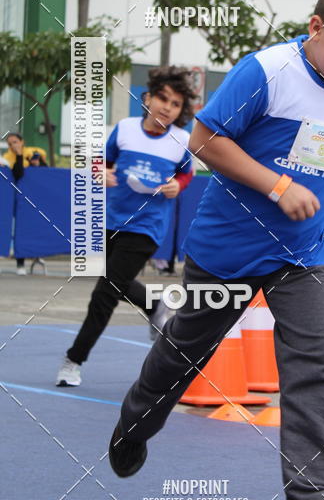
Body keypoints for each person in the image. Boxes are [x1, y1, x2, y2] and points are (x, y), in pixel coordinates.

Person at [108, 0, 324, 500]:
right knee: (184, 351)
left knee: (319, 363)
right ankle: (136, 420)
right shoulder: (266, 71)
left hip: (309, 250)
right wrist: (276, 185)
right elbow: (204, 140)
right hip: (229, 250)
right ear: (317, 27)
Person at [55, 67, 195, 387]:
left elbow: (186, 174)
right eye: (162, 99)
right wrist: (101, 172)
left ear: (180, 111)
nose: (166, 107)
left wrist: (178, 185)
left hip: (147, 226)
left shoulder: (182, 141)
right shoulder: (125, 129)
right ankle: (154, 303)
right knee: (112, 281)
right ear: (149, 98)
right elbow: (99, 162)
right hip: (112, 218)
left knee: (104, 293)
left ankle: (73, 361)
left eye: (175, 104)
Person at [3, 133, 47, 274]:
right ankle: (20, 263)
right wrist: (19, 155)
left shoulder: (36, 152)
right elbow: (18, 174)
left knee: (35, 229)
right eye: (10, 144)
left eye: (15, 142)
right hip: (18, 201)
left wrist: (37, 164)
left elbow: (45, 173)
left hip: (34, 199)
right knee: (19, 231)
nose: (13, 145)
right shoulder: (6, 158)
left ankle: (37, 256)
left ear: (22, 141)